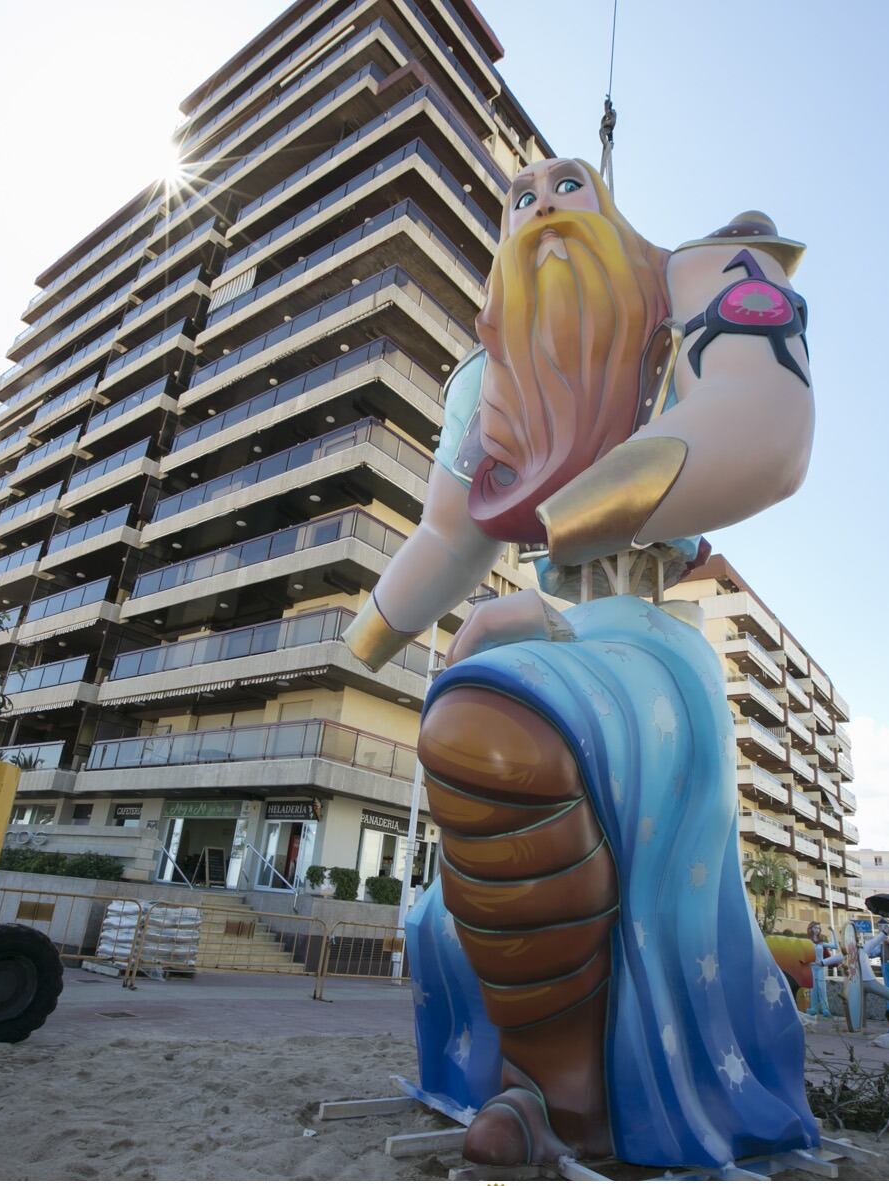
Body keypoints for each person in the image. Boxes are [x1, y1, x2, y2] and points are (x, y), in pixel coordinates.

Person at [351, 157, 820, 1169]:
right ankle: (540, 1078)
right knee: (481, 727)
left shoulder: (693, 282)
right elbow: (447, 532)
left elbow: (763, 429)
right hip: (550, 624)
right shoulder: (488, 374)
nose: (541, 206)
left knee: (492, 735)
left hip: (647, 643)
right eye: (517, 199)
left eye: (567, 186)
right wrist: (359, 639)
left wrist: (556, 527)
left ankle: (559, 1091)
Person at [807, 920, 840, 1018]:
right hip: (812, 967)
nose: (817, 930)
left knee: (822, 988)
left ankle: (825, 1008)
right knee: (813, 988)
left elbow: (835, 946)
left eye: (818, 928)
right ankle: (813, 1008)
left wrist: (833, 932)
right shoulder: (808, 941)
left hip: (820, 967)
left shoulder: (821, 942)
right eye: (815, 927)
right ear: (811, 928)